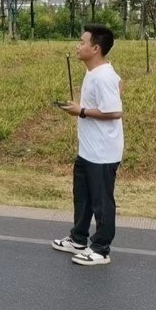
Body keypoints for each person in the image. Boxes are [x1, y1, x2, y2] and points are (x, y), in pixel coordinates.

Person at [51, 24, 124, 266]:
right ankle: (78, 238)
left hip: (103, 153)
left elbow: (114, 112)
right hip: (88, 150)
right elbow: (118, 83)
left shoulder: (103, 76)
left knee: (102, 203)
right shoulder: (96, 72)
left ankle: (101, 249)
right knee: (82, 198)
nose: (78, 46)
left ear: (95, 49)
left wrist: (80, 111)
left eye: (82, 42)